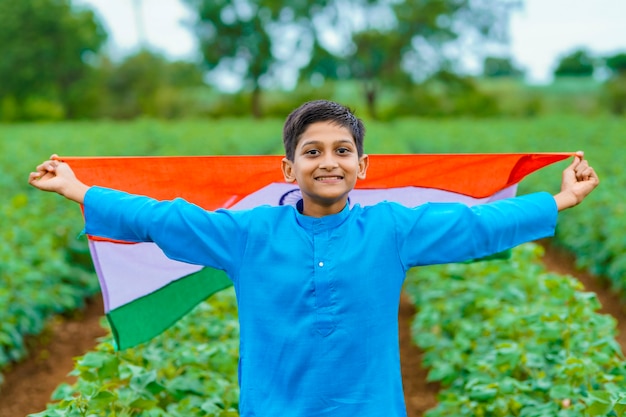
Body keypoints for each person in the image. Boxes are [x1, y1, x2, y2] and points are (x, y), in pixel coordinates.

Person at [29, 100, 599, 417]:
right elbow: (165, 220)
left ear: (362, 166)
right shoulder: (248, 234)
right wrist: (80, 190)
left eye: (342, 151)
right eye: (312, 151)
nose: (328, 162)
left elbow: (475, 226)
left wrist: (561, 199)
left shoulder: (391, 229)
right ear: (288, 168)